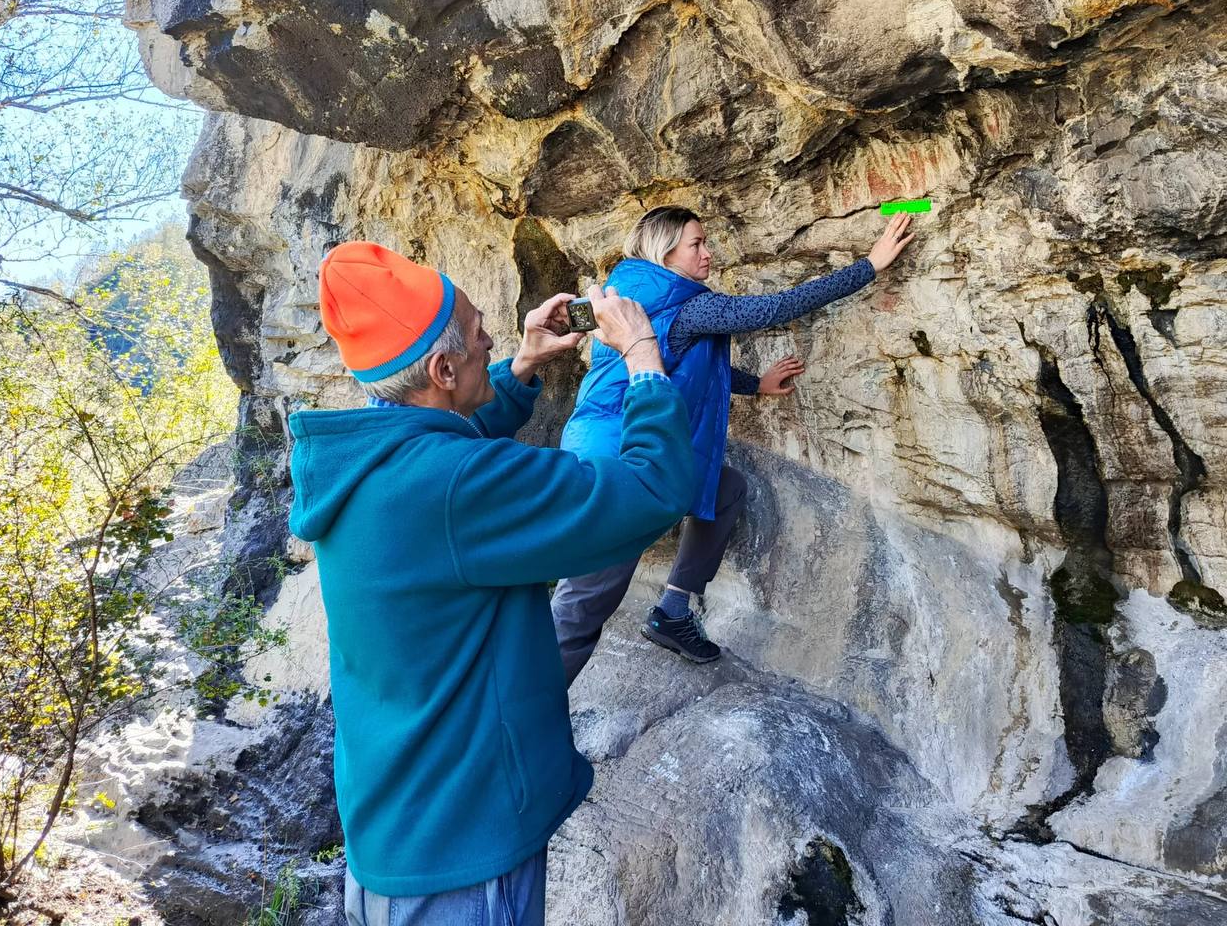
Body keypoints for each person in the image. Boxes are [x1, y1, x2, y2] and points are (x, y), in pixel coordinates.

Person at [287, 241, 697, 926]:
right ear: (443, 369)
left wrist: (526, 364)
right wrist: (644, 357)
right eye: (482, 339)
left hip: (401, 828)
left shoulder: (365, 461)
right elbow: (654, 489)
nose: (492, 343)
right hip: (462, 855)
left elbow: (448, 434)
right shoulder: (452, 486)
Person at [553, 207, 916, 681]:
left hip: (610, 446)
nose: (708, 253)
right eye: (696, 244)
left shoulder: (623, 294)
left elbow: (684, 363)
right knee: (584, 603)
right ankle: (519, 715)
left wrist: (755, 385)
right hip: (618, 464)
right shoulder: (689, 305)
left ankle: (674, 611)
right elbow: (773, 309)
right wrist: (869, 265)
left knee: (724, 489)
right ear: (666, 252)